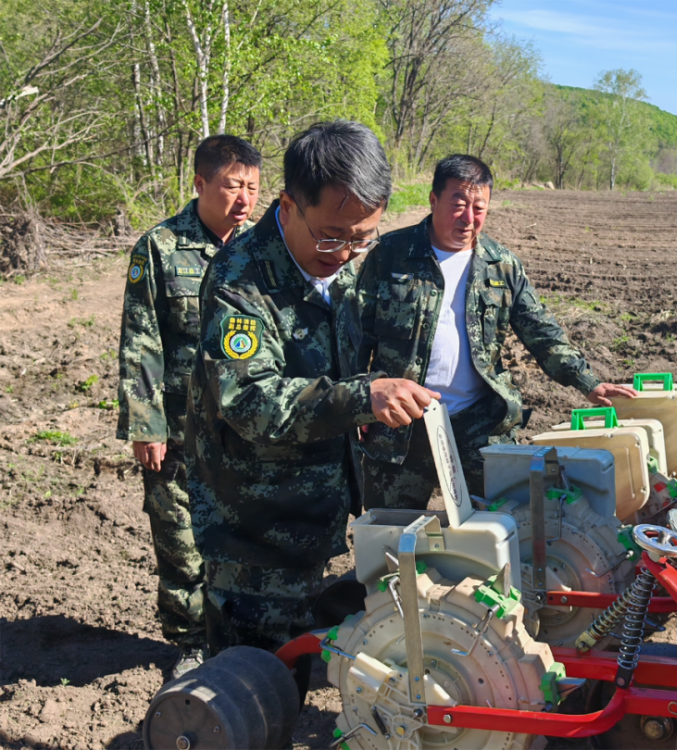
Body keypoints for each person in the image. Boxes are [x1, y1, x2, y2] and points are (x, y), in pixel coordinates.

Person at [185, 120, 438, 654]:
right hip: (254, 532)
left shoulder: (334, 267)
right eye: (331, 235)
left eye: (361, 238)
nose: (344, 252)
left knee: (295, 660)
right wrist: (361, 398)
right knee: (252, 678)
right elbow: (249, 400)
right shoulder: (240, 283)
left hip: (313, 514)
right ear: (288, 205)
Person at [355, 154, 636, 511]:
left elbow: (540, 329)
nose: (469, 219)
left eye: (479, 208)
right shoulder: (391, 254)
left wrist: (587, 381)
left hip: (479, 422)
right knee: (390, 530)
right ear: (433, 199)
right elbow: (355, 334)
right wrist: (357, 403)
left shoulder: (501, 265)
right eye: (459, 205)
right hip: (400, 422)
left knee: (504, 522)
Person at [117, 135, 262, 678]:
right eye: (232, 186)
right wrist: (145, 424)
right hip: (179, 429)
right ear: (200, 184)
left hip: (244, 427)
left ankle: (242, 637)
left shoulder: (260, 249)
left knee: (244, 535)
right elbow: (141, 341)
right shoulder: (159, 247)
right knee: (180, 537)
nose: (244, 199)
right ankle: (191, 642)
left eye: (252, 187)